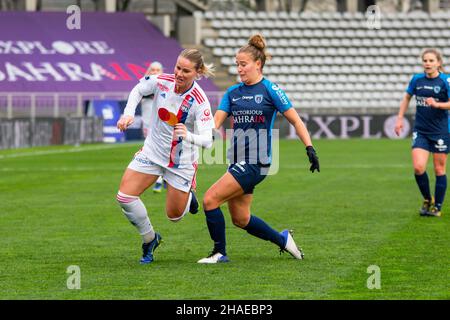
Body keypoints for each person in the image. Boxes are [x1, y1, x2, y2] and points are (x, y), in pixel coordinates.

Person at [197, 34, 320, 264]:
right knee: (240, 219)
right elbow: (215, 123)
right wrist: (202, 136)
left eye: (243, 64)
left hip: (257, 162)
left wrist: (309, 148)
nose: (239, 69)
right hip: (236, 160)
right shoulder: (232, 93)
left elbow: (296, 120)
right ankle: (284, 241)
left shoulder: (270, 89)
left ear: (258, 64)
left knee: (210, 200)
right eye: (237, 64)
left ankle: (219, 253)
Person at [116, 49, 215, 264]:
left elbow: (208, 140)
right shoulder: (162, 81)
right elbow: (138, 89)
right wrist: (128, 113)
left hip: (180, 163)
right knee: (125, 197)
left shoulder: (200, 101)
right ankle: (150, 240)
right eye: (178, 67)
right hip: (152, 152)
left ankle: (189, 196)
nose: (179, 73)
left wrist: (188, 135)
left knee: (174, 216)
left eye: (186, 71)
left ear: (197, 73)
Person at [395, 48, 450, 217]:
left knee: (439, 169)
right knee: (419, 167)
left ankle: (437, 207)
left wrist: (438, 105)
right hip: (421, 130)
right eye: (425, 60)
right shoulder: (417, 80)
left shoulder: (446, 81)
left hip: (441, 131)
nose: (427, 63)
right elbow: (406, 97)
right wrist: (399, 118)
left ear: (438, 63)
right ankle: (428, 199)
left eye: (431, 61)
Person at [140, 61, 167, 193]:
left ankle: (159, 180)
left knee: (159, 149)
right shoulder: (144, 83)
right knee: (150, 150)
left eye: (157, 70)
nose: (155, 72)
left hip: (159, 124)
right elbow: (139, 95)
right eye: (153, 70)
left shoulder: (165, 85)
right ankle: (163, 176)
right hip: (146, 122)